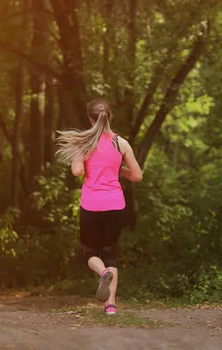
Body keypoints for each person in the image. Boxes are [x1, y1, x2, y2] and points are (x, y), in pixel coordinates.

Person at [55, 98, 142, 315]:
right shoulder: (121, 143)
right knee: (110, 253)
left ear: (89, 118)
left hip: (92, 205)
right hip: (116, 204)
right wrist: (118, 170)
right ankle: (110, 307)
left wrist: (82, 160)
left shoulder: (83, 143)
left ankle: (102, 273)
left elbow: (77, 172)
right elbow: (137, 176)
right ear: (109, 116)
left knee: (89, 253)